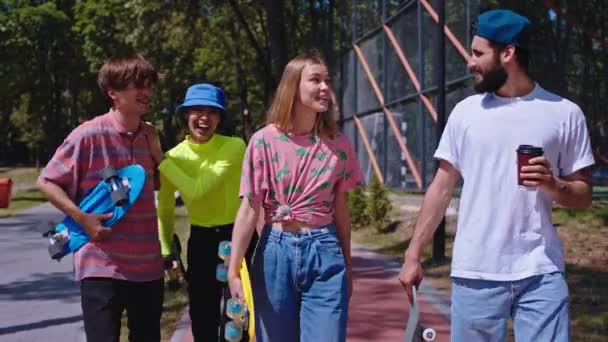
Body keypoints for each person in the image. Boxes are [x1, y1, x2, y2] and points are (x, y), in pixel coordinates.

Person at [398, 9, 595, 342]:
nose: (470, 61)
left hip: (541, 272)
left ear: (508, 53)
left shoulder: (564, 113)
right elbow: (441, 188)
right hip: (475, 271)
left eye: (478, 53)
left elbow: (583, 194)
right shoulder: (466, 113)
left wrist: (554, 184)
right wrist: (412, 254)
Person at [226, 52, 364, 342]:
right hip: (274, 253)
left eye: (327, 80)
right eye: (315, 80)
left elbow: (340, 209)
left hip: (325, 251)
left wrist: (348, 267)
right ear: (293, 86)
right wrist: (234, 269)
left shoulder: (338, 144)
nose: (325, 87)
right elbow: (249, 208)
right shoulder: (263, 141)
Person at [37, 54, 164, 342]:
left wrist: (159, 154)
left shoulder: (150, 136)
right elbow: (46, 182)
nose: (146, 92)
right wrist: (83, 220)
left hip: (147, 266)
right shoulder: (87, 135)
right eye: (137, 85)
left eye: (149, 85)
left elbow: (158, 185)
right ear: (113, 93)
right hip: (100, 264)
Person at [156, 83, 255, 341]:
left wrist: (161, 162)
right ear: (185, 116)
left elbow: (200, 191)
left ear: (220, 118)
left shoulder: (234, 146)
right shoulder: (173, 158)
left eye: (212, 112)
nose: (203, 118)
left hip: (240, 237)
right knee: (203, 318)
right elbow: (165, 207)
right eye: (196, 110)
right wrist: (167, 249)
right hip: (201, 240)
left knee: (240, 317)